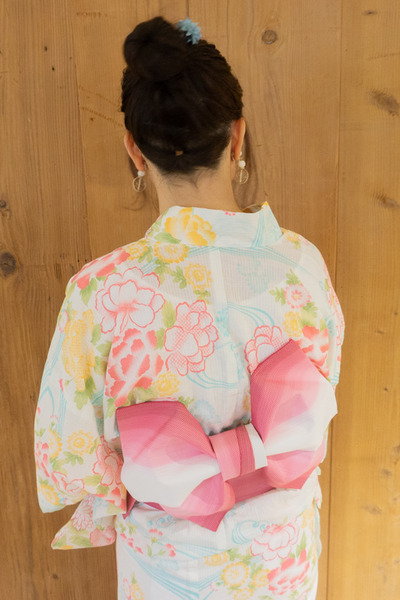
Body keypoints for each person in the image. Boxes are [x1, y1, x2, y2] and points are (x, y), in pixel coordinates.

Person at [34, 16, 344, 600]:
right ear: (237, 138)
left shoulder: (102, 292)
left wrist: (162, 473)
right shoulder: (302, 264)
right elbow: (321, 390)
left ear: (135, 151)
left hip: (170, 563)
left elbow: (70, 453)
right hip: (283, 554)